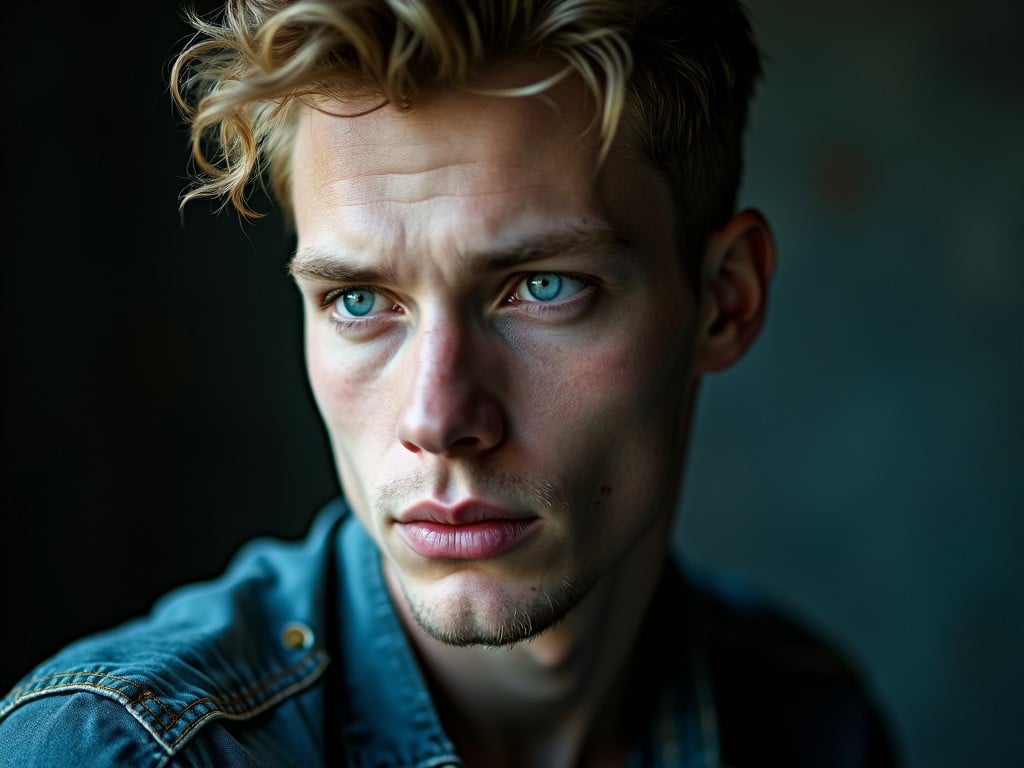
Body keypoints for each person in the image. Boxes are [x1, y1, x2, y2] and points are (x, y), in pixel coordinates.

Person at [0, 1, 900, 765]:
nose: (437, 417)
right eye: (359, 299)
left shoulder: (813, 727)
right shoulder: (122, 752)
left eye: (544, 287)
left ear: (725, 301)